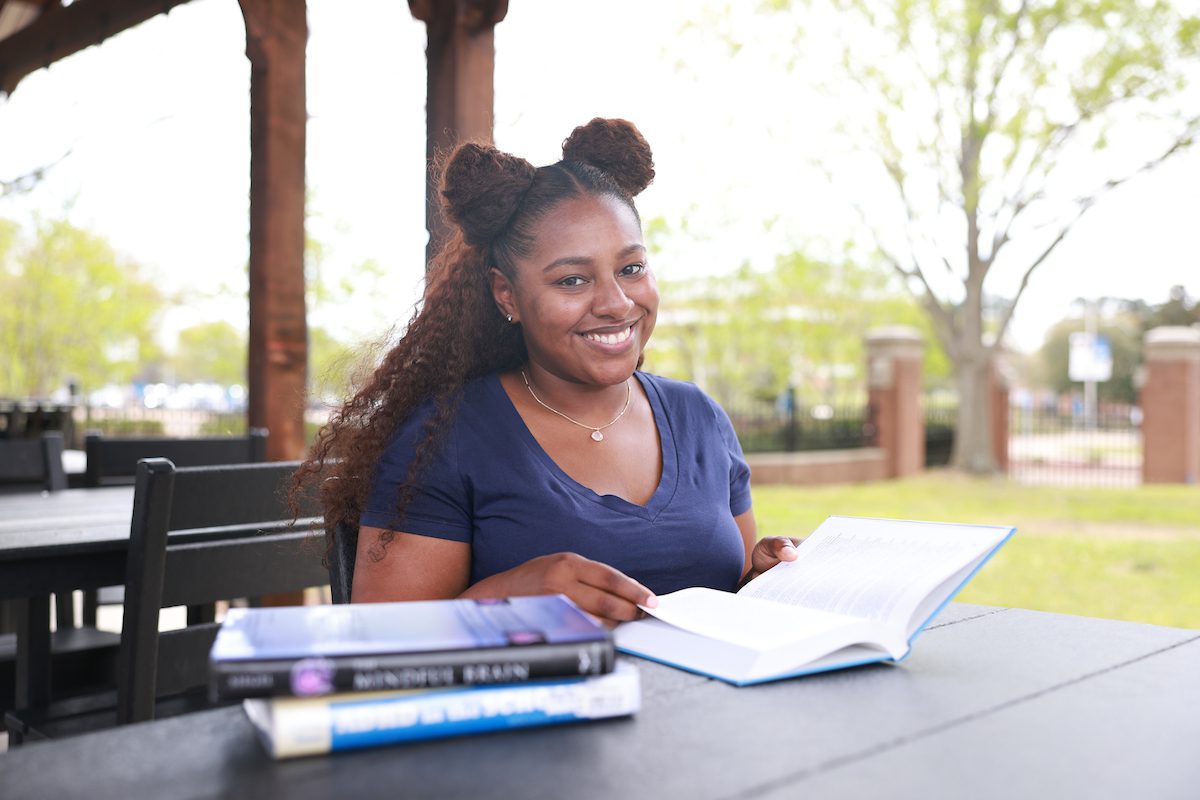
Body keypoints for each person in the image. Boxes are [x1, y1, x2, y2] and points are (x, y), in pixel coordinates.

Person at [298, 118, 797, 626]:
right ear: (506, 294)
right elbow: (380, 644)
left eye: (631, 269)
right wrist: (510, 595)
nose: (616, 303)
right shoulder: (443, 440)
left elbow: (722, 604)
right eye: (573, 280)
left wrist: (763, 581)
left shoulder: (700, 420)